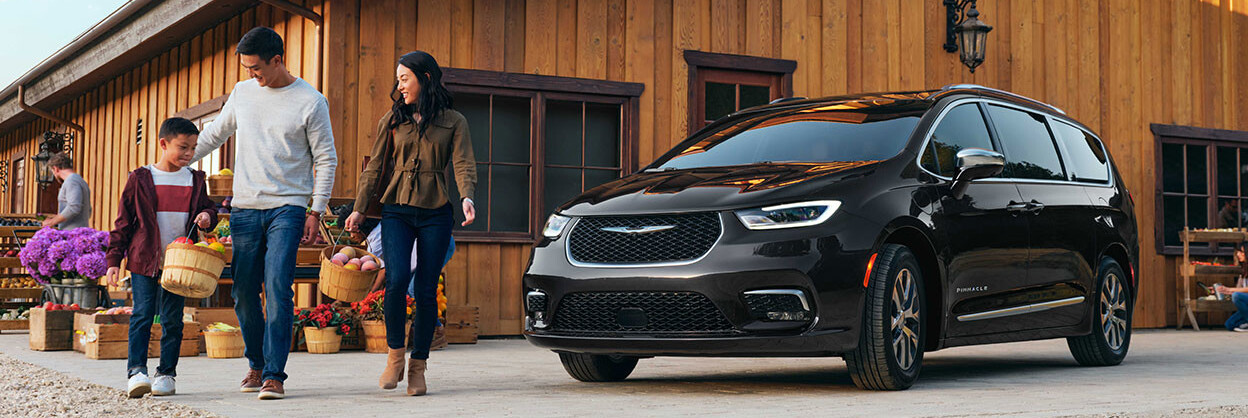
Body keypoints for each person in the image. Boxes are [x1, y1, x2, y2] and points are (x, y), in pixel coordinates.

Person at [192, 26, 337, 400]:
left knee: (277, 286)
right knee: (242, 292)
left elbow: (326, 159)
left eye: (256, 68)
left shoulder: (311, 101)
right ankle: (255, 364)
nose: (251, 74)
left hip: (288, 208)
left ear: (277, 60)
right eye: (246, 68)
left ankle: (274, 374)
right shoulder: (242, 93)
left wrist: (315, 211)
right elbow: (213, 135)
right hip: (244, 208)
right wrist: (175, 161)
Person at [345, 51, 475, 396]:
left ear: (425, 78)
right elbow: (375, 167)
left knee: (427, 289)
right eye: (398, 79)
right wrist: (359, 208)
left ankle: (418, 366)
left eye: (405, 78)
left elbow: (463, 163)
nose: (400, 85)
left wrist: (467, 196)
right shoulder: (392, 119)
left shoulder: (454, 121)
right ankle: (394, 357)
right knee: (397, 280)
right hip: (397, 210)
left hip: (436, 212)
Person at [104, 117, 217, 398]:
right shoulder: (140, 178)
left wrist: (207, 216)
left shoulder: (195, 179)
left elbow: (208, 210)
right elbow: (123, 223)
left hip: (181, 263)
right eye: (183, 147)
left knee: (173, 320)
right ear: (164, 144)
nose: (189, 153)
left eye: (193, 148)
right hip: (144, 258)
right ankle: (136, 372)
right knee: (142, 314)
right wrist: (113, 261)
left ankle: (167, 373)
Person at [41, 153, 92, 230]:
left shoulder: (71, 181)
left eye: (53, 172)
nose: (54, 175)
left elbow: (74, 207)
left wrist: (51, 222)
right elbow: (89, 211)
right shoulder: (80, 181)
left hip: (72, 234)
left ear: (55, 169)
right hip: (79, 232)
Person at [1217, 243, 1248, 332]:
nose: (1238, 254)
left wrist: (1231, 289)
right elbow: (1238, 289)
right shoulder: (1244, 271)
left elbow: (1238, 293)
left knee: (1236, 296)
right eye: (1237, 252)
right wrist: (1222, 290)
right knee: (1229, 324)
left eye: (1241, 252)